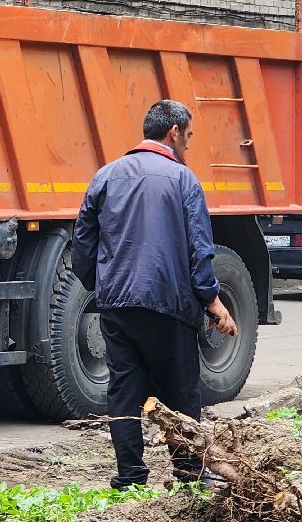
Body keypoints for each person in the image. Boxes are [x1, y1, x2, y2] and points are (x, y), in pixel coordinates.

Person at [71, 99, 239, 489]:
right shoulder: (183, 179)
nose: (189, 145)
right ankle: (188, 472)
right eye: (189, 136)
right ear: (174, 133)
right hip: (169, 305)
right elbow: (200, 248)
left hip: (117, 305)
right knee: (180, 390)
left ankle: (129, 476)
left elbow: (82, 243)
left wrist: (100, 285)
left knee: (124, 390)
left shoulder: (106, 175)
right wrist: (212, 301)